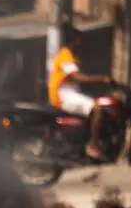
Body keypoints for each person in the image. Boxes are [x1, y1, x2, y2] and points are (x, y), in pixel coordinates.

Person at [48, 22, 113, 159]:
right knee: (97, 109)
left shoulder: (69, 56)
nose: (82, 43)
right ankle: (93, 146)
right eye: (79, 40)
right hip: (63, 95)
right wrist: (102, 79)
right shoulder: (65, 56)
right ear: (75, 40)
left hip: (71, 92)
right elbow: (78, 77)